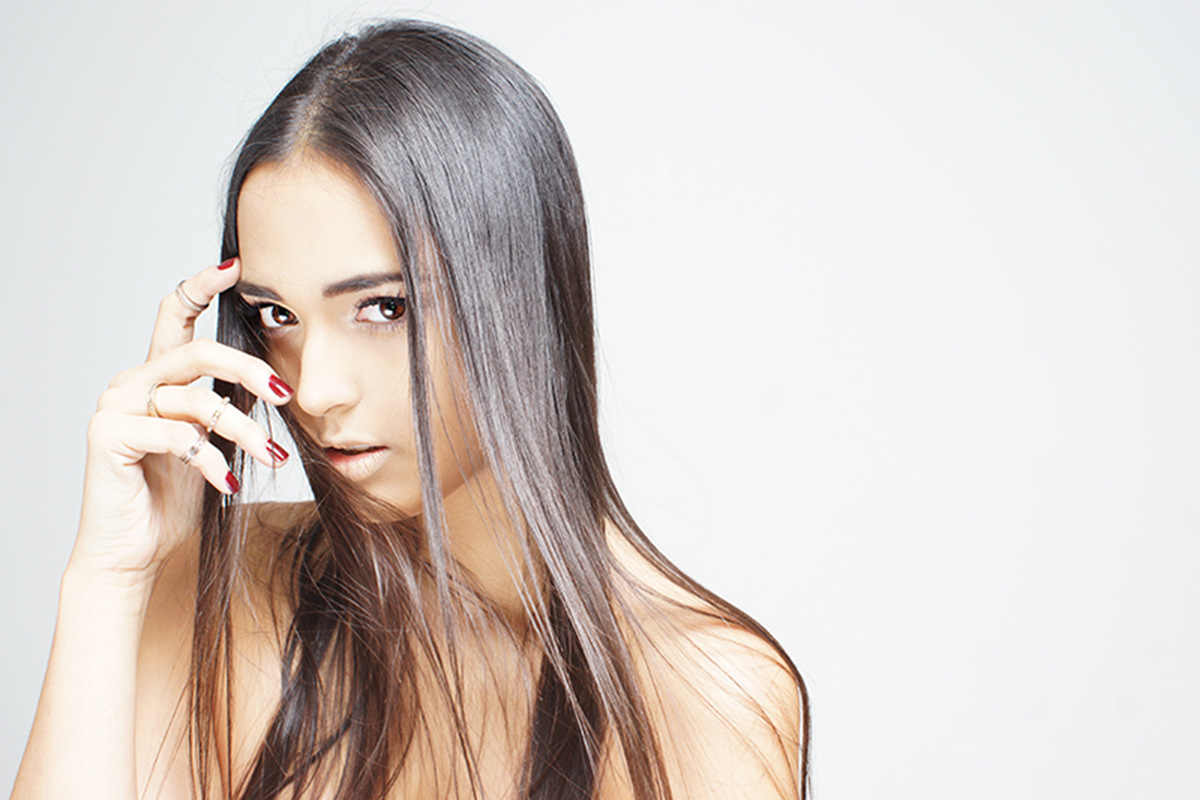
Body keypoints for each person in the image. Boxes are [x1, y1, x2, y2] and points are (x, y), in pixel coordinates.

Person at [13, 20, 808, 800]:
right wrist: (109, 578)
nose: (315, 390)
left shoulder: (702, 696)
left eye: (385, 308)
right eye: (277, 316)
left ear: (519, 298)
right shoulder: (238, 590)